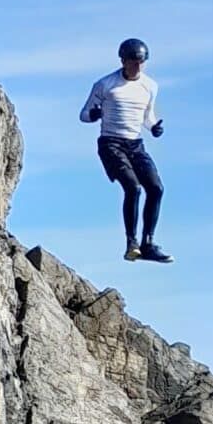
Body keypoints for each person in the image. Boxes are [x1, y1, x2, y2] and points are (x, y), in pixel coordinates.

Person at [80, 37, 171, 265]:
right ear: (123, 61)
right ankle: (132, 244)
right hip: (111, 143)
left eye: (142, 61)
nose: (138, 66)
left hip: (135, 144)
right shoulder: (105, 85)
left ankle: (148, 243)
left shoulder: (150, 86)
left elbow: (147, 116)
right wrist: (95, 114)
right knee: (133, 187)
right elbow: (83, 114)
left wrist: (154, 127)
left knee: (156, 188)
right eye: (133, 61)